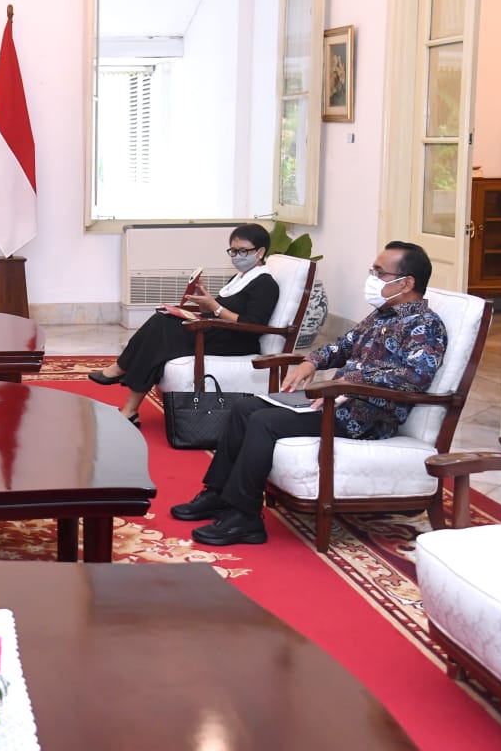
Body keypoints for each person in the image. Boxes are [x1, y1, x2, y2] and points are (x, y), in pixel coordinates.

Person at [171, 240, 448, 546]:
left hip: (366, 417)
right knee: (243, 407)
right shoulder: (380, 315)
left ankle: (244, 518)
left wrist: (351, 379)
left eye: (379, 273)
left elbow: (414, 377)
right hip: (336, 401)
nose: (371, 278)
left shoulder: (426, 325)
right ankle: (218, 495)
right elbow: (341, 346)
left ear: (406, 282)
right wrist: (310, 362)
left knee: (264, 421)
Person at [90, 223, 280, 426]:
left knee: (161, 330)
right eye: (233, 251)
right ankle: (129, 407)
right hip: (219, 331)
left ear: (260, 252)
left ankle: (122, 371)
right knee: (161, 322)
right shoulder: (239, 278)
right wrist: (205, 301)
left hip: (237, 341)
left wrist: (214, 307)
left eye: (243, 251)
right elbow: (219, 310)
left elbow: (252, 324)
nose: (236, 256)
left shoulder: (265, 284)